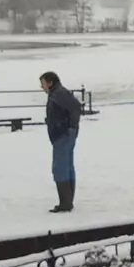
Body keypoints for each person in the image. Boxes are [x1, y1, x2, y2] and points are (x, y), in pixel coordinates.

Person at [40, 70, 84, 213]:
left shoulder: (58, 94)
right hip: (64, 135)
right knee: (66, 166)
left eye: (43, 84)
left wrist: (68, 127)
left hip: (62, 136)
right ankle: (67, 201)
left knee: (60, 168)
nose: (42, 87)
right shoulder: (58, 93)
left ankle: (65, 203)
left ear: (50, 82)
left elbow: (76, 107)